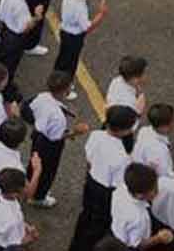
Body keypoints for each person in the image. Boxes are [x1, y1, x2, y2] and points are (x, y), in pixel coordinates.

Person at [68, 106, 138, 251]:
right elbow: (119, 185)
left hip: (91, 181)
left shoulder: (96, 135)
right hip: (106, 192)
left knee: (86, 215)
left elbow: (89, 160)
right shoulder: (122, 157)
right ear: (124, 130)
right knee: (99, 226)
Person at [28, 71, 90, 208]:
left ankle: (31, 182)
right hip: (49, 146)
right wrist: (75, 132)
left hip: (37, 136)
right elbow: (56, 137)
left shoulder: (42, 97)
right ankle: (39, 196)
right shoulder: (57, 117)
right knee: (48, 170)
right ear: (65, 90)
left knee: (34, 163)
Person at [55, 0, 109, 99]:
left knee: (62, 59)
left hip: (65, 32)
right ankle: (64, 89)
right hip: (74, 38)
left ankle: (57, 80)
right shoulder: (78, 7)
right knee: (70, 63)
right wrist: (101, 14)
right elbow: (87, 27)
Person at [109, 163, 174, 250]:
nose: (158, 191)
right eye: (154, 189)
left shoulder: (120, 190)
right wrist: (159, 238)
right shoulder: (140, 218)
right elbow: (139, 245)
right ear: (139, 195)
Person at [0, 169, 38, 251]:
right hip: (1, 246)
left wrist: (24, 225)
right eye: (24, 186)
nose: (27, 187)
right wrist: (31, 238)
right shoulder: (12, 220)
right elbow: (16, 243)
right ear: (14, 194)